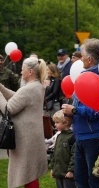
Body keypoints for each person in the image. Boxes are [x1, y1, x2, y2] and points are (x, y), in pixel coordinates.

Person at [61, 38, 99, 188]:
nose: (80, 58)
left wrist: (75, 110)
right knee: (80, 179)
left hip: (95, 136)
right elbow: (78, 102)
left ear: (90, 59)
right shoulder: (83, 76)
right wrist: (69, 113)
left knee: (95, 180)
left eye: (82, 55)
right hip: (80, 135)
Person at [0, 57, 48, 188]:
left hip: (25, 139)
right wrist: (1, 88)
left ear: (30, 71)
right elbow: (18, 97)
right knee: (31, 174)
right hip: (31, 137)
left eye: (22, 69)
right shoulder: (36, 86)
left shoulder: (29, 89)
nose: (21, 72)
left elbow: (8, 109)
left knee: (29, 174)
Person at [49, 110, 76, 188]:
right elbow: (55, 153)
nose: (55, 125)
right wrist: (53, 168)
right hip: (58, 172)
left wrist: (71, 170)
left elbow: (74, 155)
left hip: (67, 174)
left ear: (66, 123)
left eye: (57, 122)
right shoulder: (59, 136)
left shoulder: (72, 137)